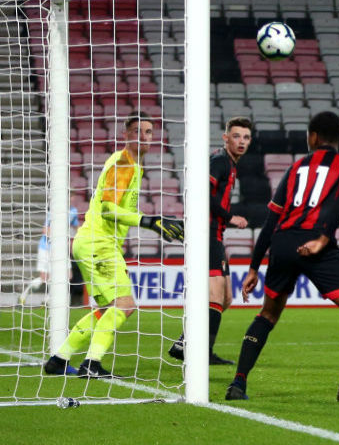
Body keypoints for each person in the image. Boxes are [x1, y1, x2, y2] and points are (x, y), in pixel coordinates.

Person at [226, 111, 339, 402]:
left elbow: (271, 220)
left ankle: (238, 383)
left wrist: (253, 267)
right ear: (338, 138)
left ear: (312, 137)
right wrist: (322, 238)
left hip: (282, 243)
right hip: (316, 245)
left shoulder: (296, 167)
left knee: (268, 315)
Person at [43, 113, 185, 378]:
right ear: (126, 135)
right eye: (136, 131)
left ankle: (59, 359)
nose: (143, 137)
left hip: (93, 242)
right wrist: (149, 221)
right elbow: (108, 208)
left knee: (107, 309)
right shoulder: (123, 162)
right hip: (99, 243)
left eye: (148, 132)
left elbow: (116, 208)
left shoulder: (133, 165)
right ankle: (91, 364)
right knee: (124, 304)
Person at [168, 117, 252, 365]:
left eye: (246, 137)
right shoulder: (220, 162)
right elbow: (202, 191)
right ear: (226, 138)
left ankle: (184, 342)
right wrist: (230, 216)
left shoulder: (229, 164)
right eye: (236, 136)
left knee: (225, 298)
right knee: (215, 294)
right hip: (206, 231)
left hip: (215, 233)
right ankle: (203, 352)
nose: (241, 142)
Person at [18, 206, 80, 306]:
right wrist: (58, 237)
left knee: (68, 276)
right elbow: (45, 230)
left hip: (62, 248)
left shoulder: (73, 210)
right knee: (45, 278)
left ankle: (48, 299)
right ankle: (24, 295)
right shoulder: (54, 211)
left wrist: (74, 240)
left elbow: (76, 227)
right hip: (46, 248)